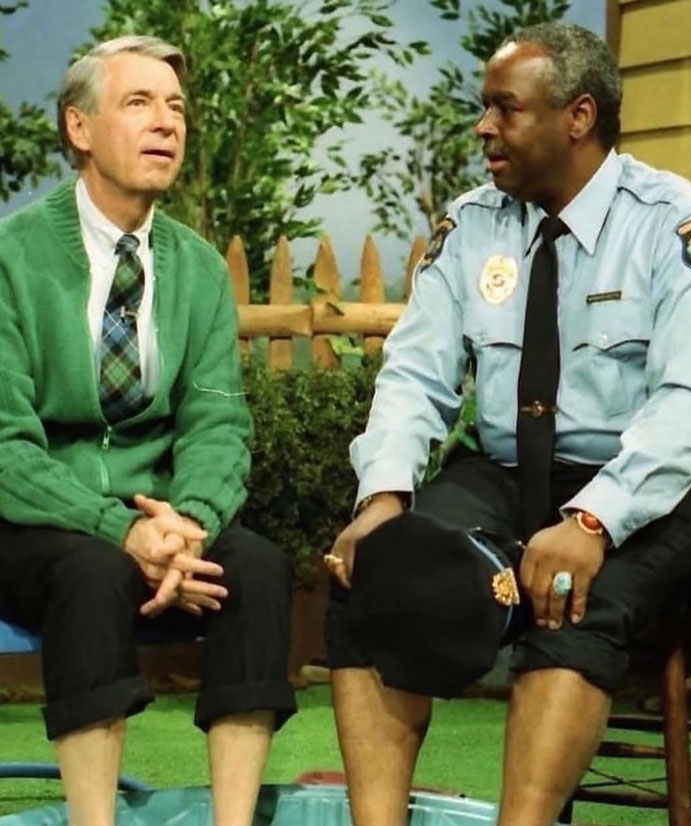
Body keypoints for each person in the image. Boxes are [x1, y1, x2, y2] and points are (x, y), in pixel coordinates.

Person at [324, 21, 691, 826]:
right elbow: (415, 375)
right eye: (484, 108)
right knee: (372, 576)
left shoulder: (672, 226)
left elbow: (687, 405)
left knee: (571, 594)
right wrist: (382, 501)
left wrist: (593, 520)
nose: (484, 127)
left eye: (506, 109)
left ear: (579, 116)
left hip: (642, 487)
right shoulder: (473, 227)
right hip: (502, 473)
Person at [0, 35, 296, 826]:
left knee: (258, 569)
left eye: (176, 109)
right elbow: (3, 446)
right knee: (92, 574)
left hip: (164, 523)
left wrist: (189, 523)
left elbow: (216, 418)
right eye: (139, 104)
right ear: (79, 128)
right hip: (37, 524)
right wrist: (117, 529)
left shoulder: (196, 268)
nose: (166, 123)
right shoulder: (11, 257)